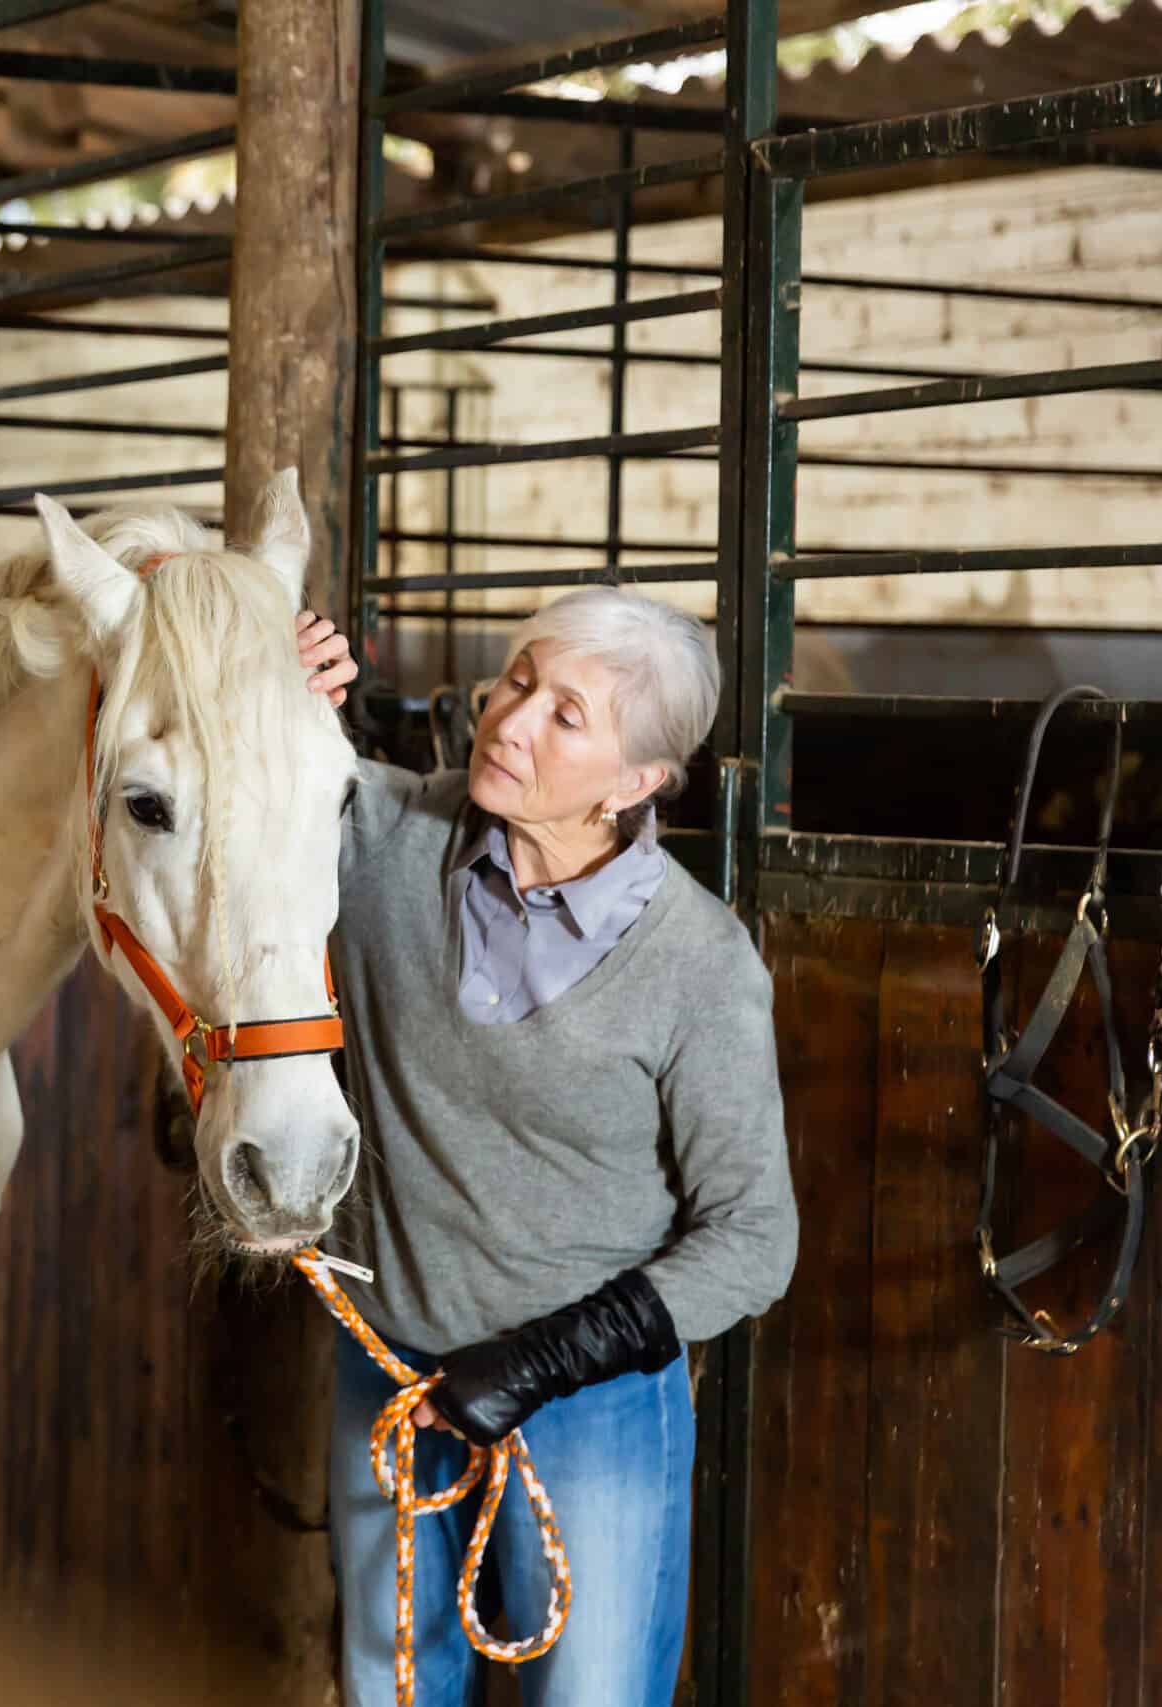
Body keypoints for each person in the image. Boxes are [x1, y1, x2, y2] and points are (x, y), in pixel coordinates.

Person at [296, 591, 797, 1707]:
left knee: (591, 1694)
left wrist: (536, 1364)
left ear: (634, 784)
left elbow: (754, 1240)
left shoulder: (699, 966)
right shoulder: (379, 840)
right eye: (517, 679)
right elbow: (237, 782)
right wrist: (273, 681)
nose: (510, 719)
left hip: (588, 1402)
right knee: (390, 1689)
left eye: (566, 714)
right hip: (387, 1371)